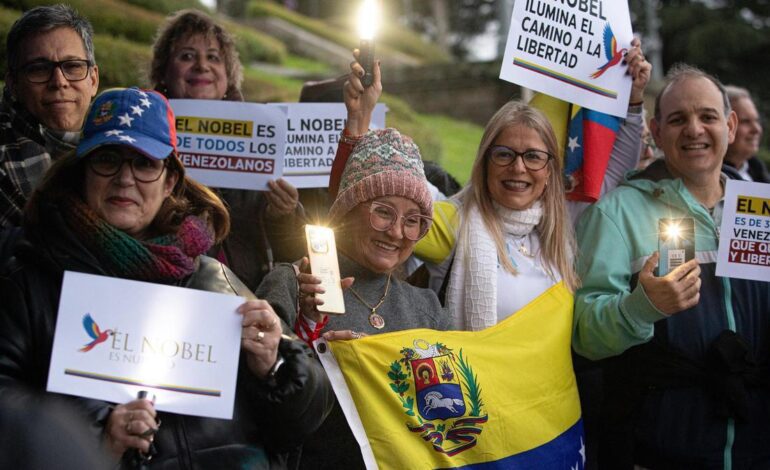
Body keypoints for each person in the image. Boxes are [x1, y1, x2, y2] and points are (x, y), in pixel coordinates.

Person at [0, 88, 333, 468]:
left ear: (170, 181)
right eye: (107, 159)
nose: (125, 179)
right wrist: (98, 440)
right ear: (82, 171)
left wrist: (274, 365)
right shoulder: (30, 279)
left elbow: (303, 423)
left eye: (144, 163)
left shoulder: (212, 277)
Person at [573, 64, 770, 467]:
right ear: (657, 131)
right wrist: (641, 307)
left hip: (756, 446)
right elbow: (583, 335)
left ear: (730, 126)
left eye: (708, 116)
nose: (694, 129)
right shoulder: (617, 213)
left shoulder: (759, 208)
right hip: (657, 448)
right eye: (678, 119)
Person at [257, 111, 450, 469]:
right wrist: (308, 341)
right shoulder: (294, 283)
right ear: (347, 209)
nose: (396, 232)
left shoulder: (428, 309)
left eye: (414, 221)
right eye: (383, 212)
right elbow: (263, 406)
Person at [150, 9, 304, 290]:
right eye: (186, 56)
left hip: (251, 301)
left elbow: (295, 254)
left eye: (213, 57)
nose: (201, 65)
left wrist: (283, 216)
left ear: (228, 76)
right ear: (163, 72)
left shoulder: (263, 140)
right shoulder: (145, 136)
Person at [0, 4, 99, 257]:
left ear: (93, 80)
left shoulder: (119, 145)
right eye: (39, 69)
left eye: (73, 66)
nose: (59, 82)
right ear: (13, 83)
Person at [722, 85, 769, 183]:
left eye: (757, 121)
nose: (757, 129)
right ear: (728, 125)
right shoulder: (706, 180)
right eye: (745, 121)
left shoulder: (759, 172)